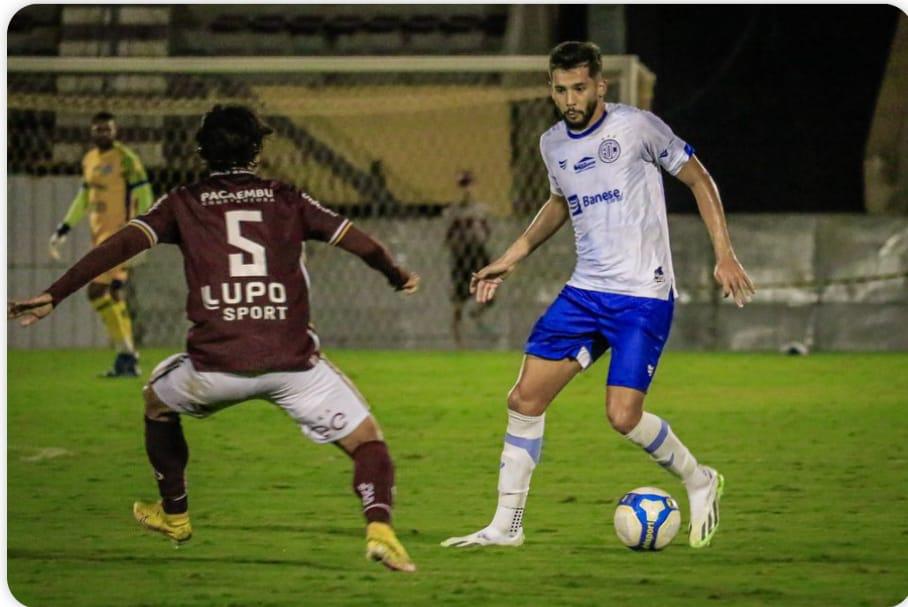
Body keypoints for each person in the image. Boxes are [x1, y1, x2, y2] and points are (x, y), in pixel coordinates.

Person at [10, 105, 421, 572]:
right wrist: (396, 275)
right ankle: (380, 528)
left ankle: (175, 513)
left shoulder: (182, 202)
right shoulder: (287, 198)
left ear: (202, 152)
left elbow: (119, 244)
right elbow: (360, 242)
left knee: (156, 401)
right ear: (258, 151)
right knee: (367, 441)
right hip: (293, 367)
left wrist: (54, 294)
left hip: (214, 370)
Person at [442, 41, 755, 550]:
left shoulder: (637, 128)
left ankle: (700, 480)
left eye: (580, 88)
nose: (571, 99)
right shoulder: (552, 144)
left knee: (622, 417)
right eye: (561, 90)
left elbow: (700, 180)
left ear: (600, 86)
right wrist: (512, 256)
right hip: (586, 293)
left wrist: (725, 254)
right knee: (524, 399)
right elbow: (558, 203)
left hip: (643, 296)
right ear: (551, 90)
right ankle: (506, 526)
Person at [48, 111, 155, 377]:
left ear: (115, 131)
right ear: (92, 131)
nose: (103, 133)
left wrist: (144, 231)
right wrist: (64, 228)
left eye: (108, 129)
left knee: (95, 292)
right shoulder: (90, 159)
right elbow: (83, 199)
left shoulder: (126, 159)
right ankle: (128, 360)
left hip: (120, 237)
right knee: (114, 294)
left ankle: (126, 355)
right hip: (99, 238)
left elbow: (144, 192)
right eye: (99, 129)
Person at [443, 170, 493, 347]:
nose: (466, 190)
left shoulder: (481, 210)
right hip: (461, 254)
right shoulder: (452, 211)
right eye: (462, 185)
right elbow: (448, 236)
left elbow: (487, 232)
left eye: (468, 185)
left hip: (478, 252)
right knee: (459, 298)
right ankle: (457, 338)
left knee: (490, 288)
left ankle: (477, 315)